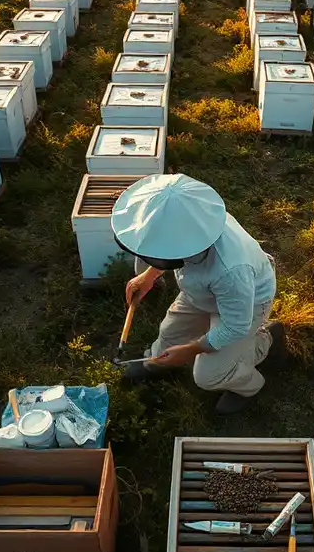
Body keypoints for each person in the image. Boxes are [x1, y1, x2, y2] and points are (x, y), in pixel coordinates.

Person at [113, 173, 285, 415]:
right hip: (202, 291)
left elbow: (235, 326)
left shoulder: (230, 269)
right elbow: (167, 246)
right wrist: (148, 277)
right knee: (169, 333)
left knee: (207, 375)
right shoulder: (191, 222)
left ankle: (259, 357)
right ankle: (158, 363)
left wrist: (191, 349)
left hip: (246, 302)